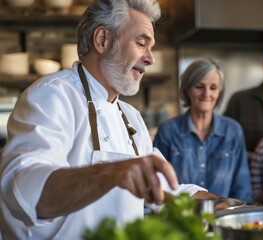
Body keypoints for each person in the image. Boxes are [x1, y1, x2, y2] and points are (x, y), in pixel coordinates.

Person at [0, 1, 213, 239]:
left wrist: (217, 205)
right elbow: (26, 193)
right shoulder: (52, 95)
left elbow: (163, 188)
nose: (150, 59)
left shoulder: (130, 116)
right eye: (141, 43)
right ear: (102, 40)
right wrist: (110, 173)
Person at [153, 58, 252, 204]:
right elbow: (158, 184)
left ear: (220, 92)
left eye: (213, 88)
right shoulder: (168, 131)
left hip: (223, 219)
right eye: (199, 86)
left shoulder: (233, 131)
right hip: (180, 218)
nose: (206, 94)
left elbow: (241, 187)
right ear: (187, 89)